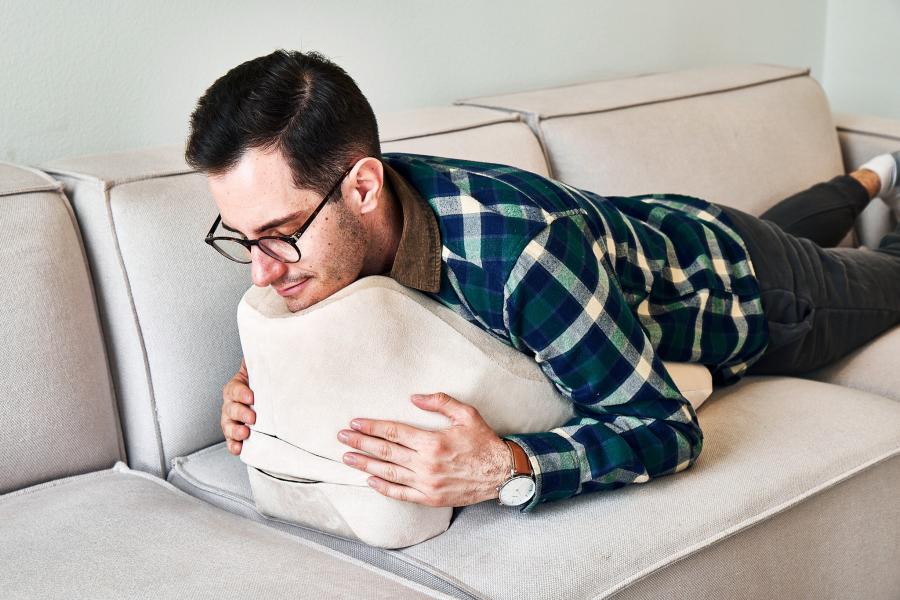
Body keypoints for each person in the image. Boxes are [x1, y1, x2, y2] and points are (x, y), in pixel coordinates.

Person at [185, 49, 900, 514]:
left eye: (279, 235)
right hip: (664, 229)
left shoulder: (521, 255)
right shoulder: (339, 223)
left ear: (364, 188)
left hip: (754, 290)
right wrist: (259, 388)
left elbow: (664, 427)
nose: (262, 269)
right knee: (793, 224)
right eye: (243, 240)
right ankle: (867, 180)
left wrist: (508, 467)